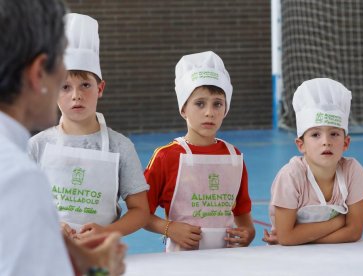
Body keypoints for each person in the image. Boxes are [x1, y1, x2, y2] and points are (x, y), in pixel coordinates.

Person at [0, 0, 125, 275]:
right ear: (38, 73)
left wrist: (82, 259)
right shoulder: (18, 177)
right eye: (63, 78)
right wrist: (101, 272)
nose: (74, 94)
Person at [28, 13, 150, 240]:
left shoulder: (120, 147)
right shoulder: (37, 146)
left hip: (103, 256)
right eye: (65, 87)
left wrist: (107, 231)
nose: (76, 96)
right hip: (49, 253)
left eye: (85, 85)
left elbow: (141, 211)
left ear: (100, 88)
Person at [144, 51, 255, 252]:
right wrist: (169, 228)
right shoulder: (165, 157)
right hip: (181, 261)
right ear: (183, 109)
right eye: (200, 103)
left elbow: (243, 218)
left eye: (217, 104)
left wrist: (248, 233)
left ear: (225, 109)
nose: (209, 112)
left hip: (227, 259)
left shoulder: (234, 157)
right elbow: (140, 213)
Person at [263, 78, 363, 246]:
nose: (326, 142)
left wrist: (300, 237)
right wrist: (339, 221)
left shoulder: (352, 171)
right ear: (301, 145)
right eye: (315, 135)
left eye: (334, 134)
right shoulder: (291, 176)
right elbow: (286, 238)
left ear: (346, 143)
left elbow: (354, 232)